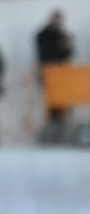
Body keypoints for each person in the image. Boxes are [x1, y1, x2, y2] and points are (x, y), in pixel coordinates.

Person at [36, 10, 75, 138]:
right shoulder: (43, 35)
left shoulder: (62, 34)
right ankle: (52, 132)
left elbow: (67, 55)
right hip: (49, 76)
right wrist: (60, 46)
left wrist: (68, 46)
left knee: (65, 104)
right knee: (52, 106)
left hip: (62, 76)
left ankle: (64, 131)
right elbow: (46, 53)